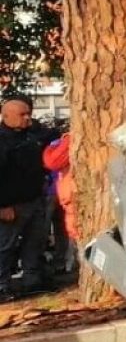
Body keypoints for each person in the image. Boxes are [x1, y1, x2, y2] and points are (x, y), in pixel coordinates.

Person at [0, 95, 56, 300]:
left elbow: (52, 137)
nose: (27, 118)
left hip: (34, 200)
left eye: (28, 114)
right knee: (5, 247)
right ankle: (1, 286)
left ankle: (32, 282)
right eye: (22, 115)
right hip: (11, 205)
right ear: (6, 116)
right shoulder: (2, 140)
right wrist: (2, 206)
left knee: (35, 243)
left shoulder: (32, 134)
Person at [42, 132, 77, 273]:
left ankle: (63, 263)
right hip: (58, 193)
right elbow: (52, 161)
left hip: (66, 194)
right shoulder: (64, 142)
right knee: (47, 231)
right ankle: (59, 262)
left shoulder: (60, 143)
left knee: (66, 231)